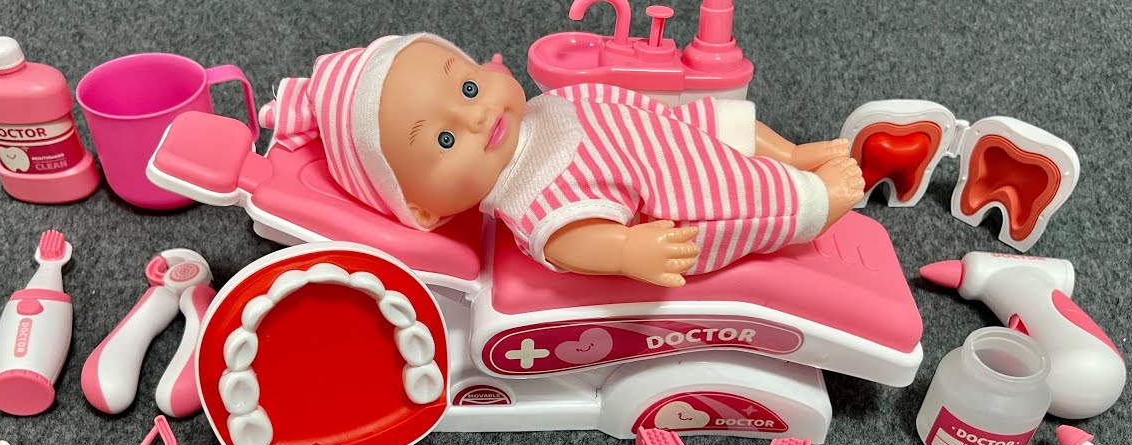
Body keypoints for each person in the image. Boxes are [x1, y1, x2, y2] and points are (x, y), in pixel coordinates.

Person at [260, 34, 865, 287]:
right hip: (673, 194)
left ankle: (790, 153)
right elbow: (571, 238)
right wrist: (627, 251)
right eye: (444, 141)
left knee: (717, 120)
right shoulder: (532, 199)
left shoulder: (541, 110)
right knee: (728, 201)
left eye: (467, 87)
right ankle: (811, 203)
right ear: (422, 207)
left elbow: (655, 119)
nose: (476, 116)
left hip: (666, 134)